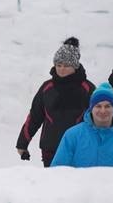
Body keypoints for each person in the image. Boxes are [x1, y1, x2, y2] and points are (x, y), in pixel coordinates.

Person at [16, 37, 95, 167]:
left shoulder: (87, 89)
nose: (62, 69)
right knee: (52, 185)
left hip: (79, 148)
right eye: (58, 65)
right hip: (50, 149)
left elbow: (98, 119)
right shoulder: (47, 88)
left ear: (75, 66)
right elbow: (34, 117)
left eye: (66, 65)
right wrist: (22, 143)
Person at [51, 82, 113, 167]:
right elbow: (57, 170)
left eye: (108, 106)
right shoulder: (73, 135)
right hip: (79, 183)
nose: (103, 111)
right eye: (98, 106)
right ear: (91, 108)